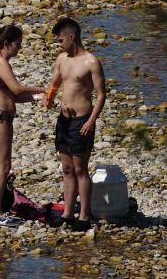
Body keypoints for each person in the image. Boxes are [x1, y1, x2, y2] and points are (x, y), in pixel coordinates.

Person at [43, 17, 106, 231]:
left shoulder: (91, 62)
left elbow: (101, 95)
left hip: (81, 120)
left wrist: (91, 120)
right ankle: (68, 213)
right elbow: (54, 83)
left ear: (72, 37)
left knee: (81, 169)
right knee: (67, 168)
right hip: (64, 119)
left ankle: (84, 215)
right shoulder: (62, 59)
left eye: (61, 40)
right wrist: (49, 98)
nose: (59, 44)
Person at [0, 24, 46, 227]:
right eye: (18, 44)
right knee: (3, 166)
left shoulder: (0, 62)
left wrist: (38, 97)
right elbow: (17, 89)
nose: (20, 48)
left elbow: (14, 97)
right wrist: (45, 87)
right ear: (7, 44)